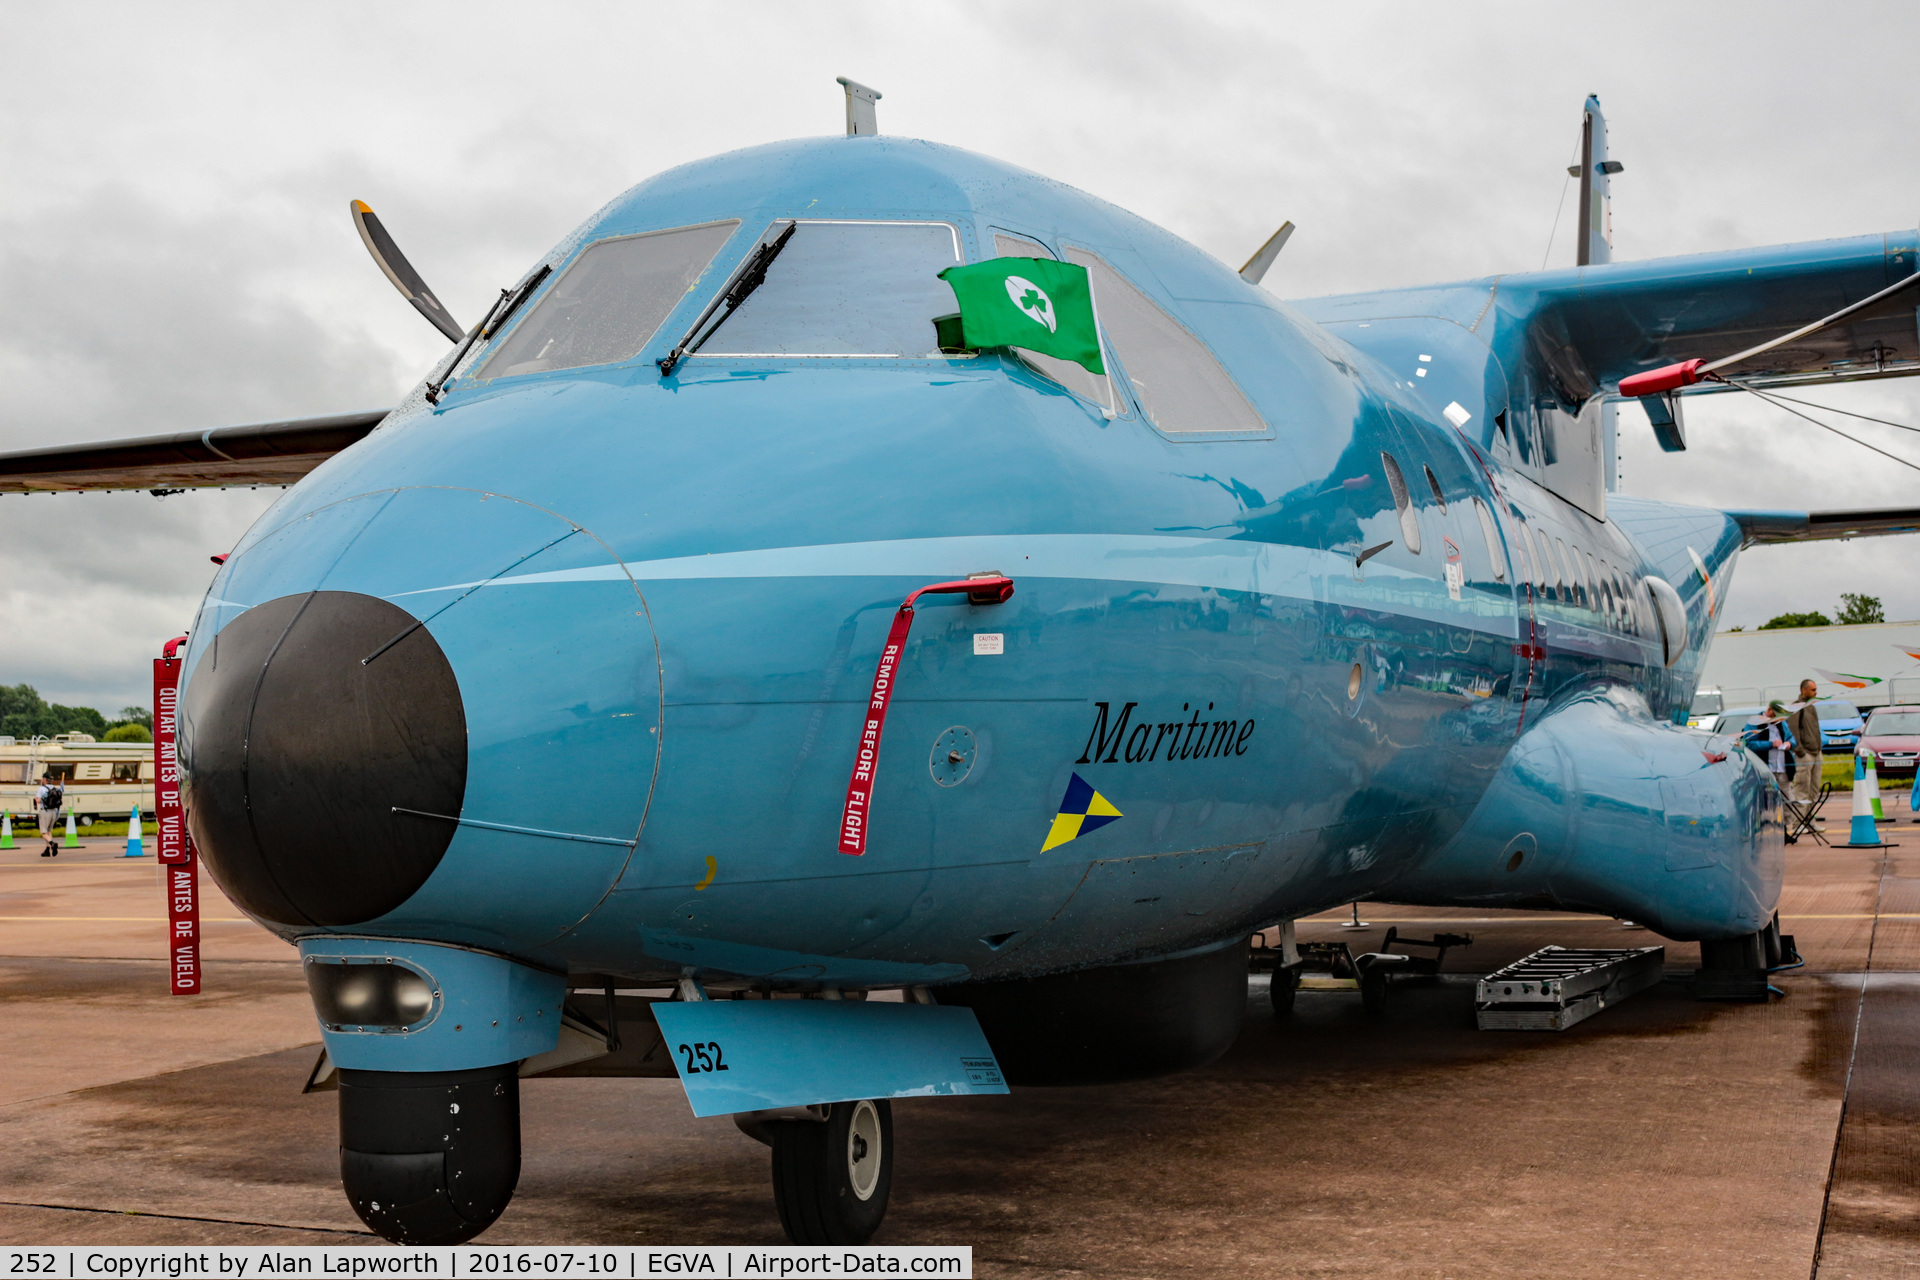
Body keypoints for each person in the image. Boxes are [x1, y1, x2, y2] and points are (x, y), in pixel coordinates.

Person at [1787, 679, 1825, 808]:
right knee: (1802, 789)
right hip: (1805, 755)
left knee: (1814, 790)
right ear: (1804, 690)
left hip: (1816, 753)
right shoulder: (1796, 707)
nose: (1816, 692)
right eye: (1813, 690)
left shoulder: (1811, 707)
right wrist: (1800, 751)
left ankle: (1810, 820)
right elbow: (1793, 731)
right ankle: (1799, 823)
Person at [35, 773, 64, 858]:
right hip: (54, 812)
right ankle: (47, 850)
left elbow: (38, 800)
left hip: (45, 811)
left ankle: (52, 843)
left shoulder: (42, 789)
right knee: (49, 831)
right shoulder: (55, 788)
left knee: (43, 832)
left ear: (44, 779)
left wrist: (36, 798)